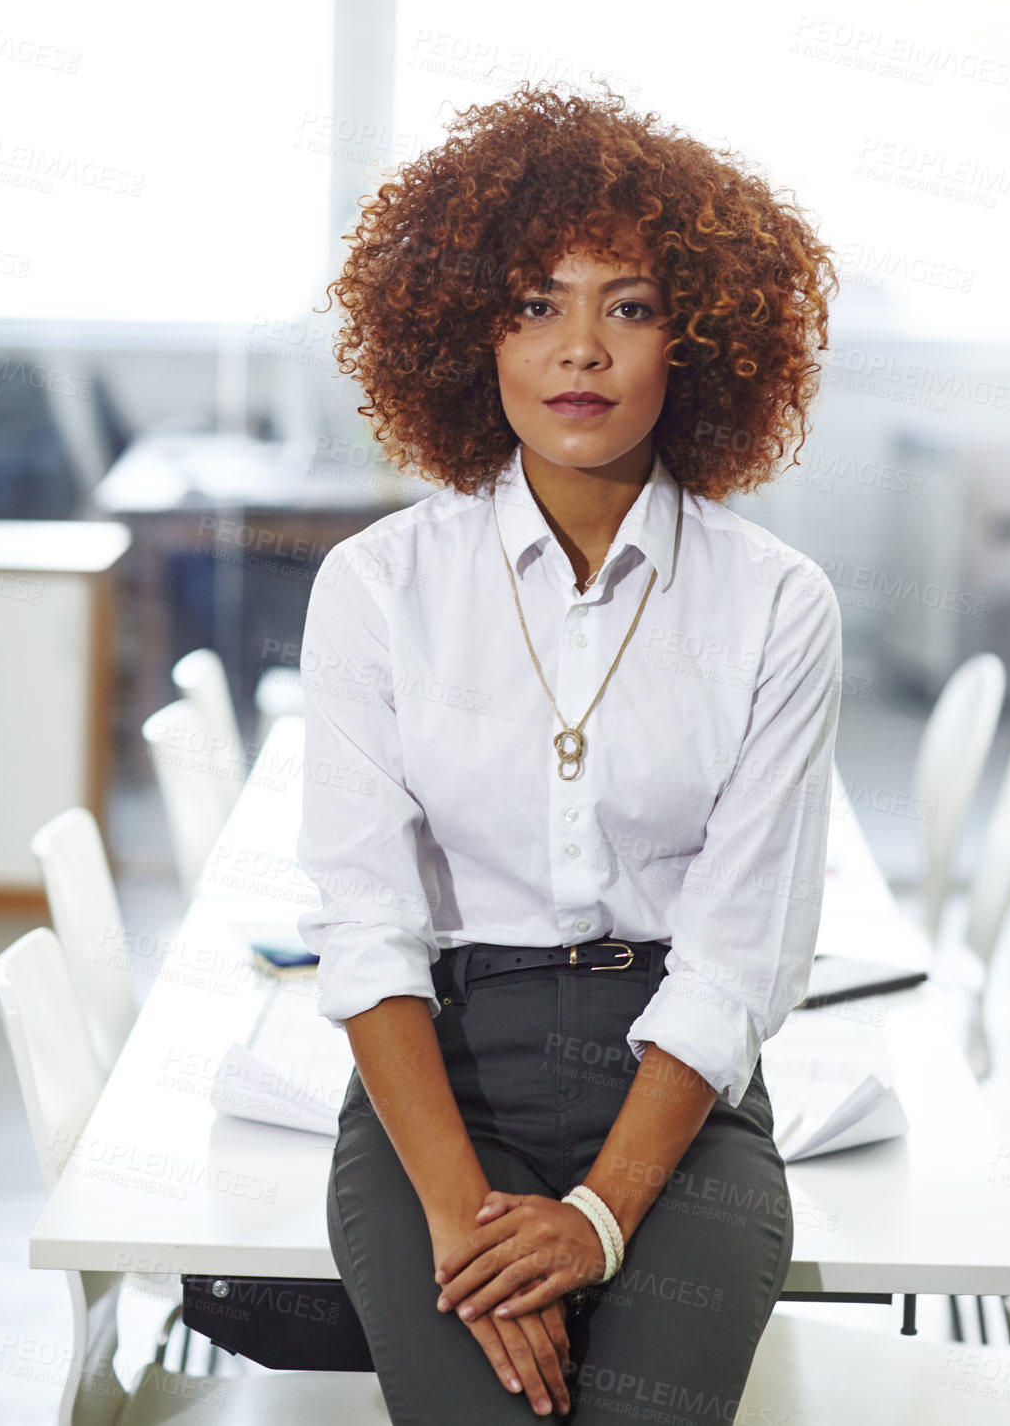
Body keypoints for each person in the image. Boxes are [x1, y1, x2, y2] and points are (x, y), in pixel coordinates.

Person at [294, 79, 843, 1423]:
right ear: (467, 334)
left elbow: (738, 956)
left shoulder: (776, 602)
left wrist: (595, 1219)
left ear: (698, 341)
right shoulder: (377, 589)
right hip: (441, 1080)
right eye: (536, 303)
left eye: (631, 305)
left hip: (676, 1093)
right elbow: (364, 931)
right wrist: (465, 1218)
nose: (580, 349)